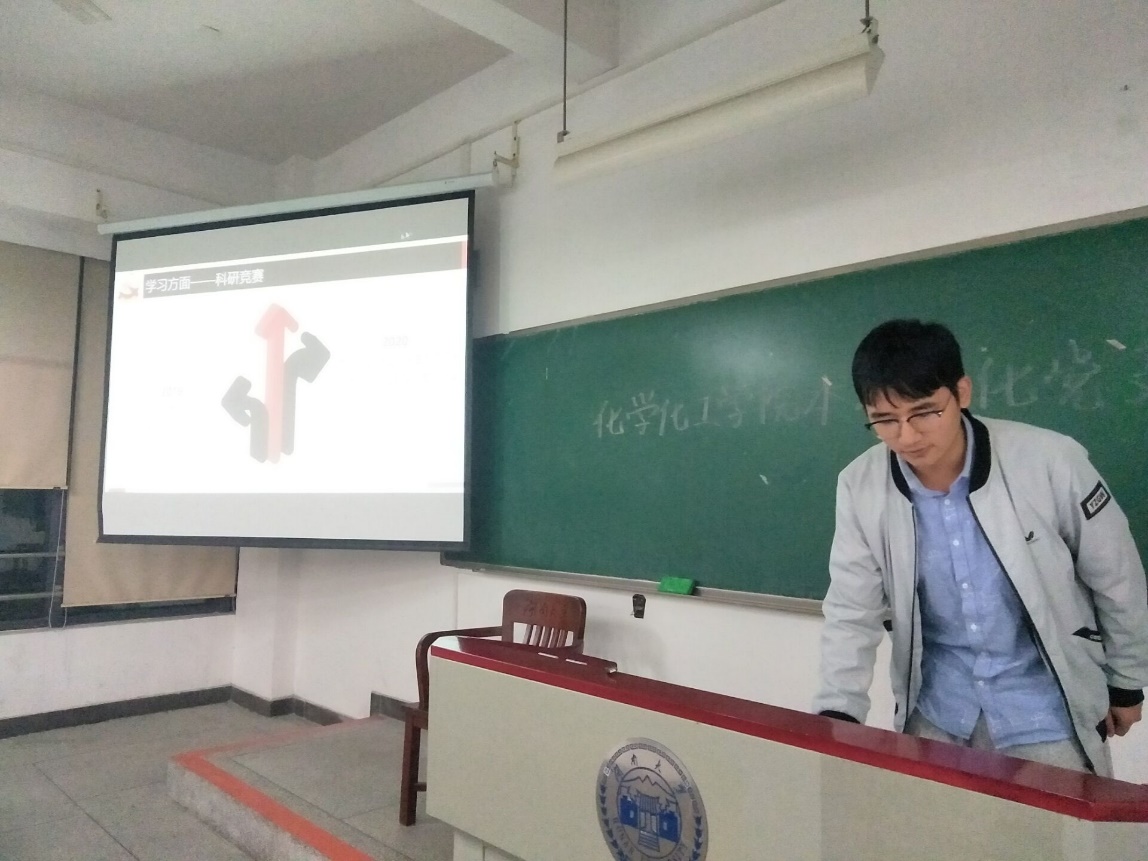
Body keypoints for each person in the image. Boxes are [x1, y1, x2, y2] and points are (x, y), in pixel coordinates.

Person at [812, 319, 1148, 776]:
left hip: (1047, 714)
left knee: (1058, 824)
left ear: (962, 392)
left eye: (925, 412)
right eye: (885, 420)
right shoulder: (860, 484)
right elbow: (851, 607)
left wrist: (1127, 680)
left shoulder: (1050, 460)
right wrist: (838, 712)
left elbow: (1116, 575)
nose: (906, 436)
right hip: (936, 714)